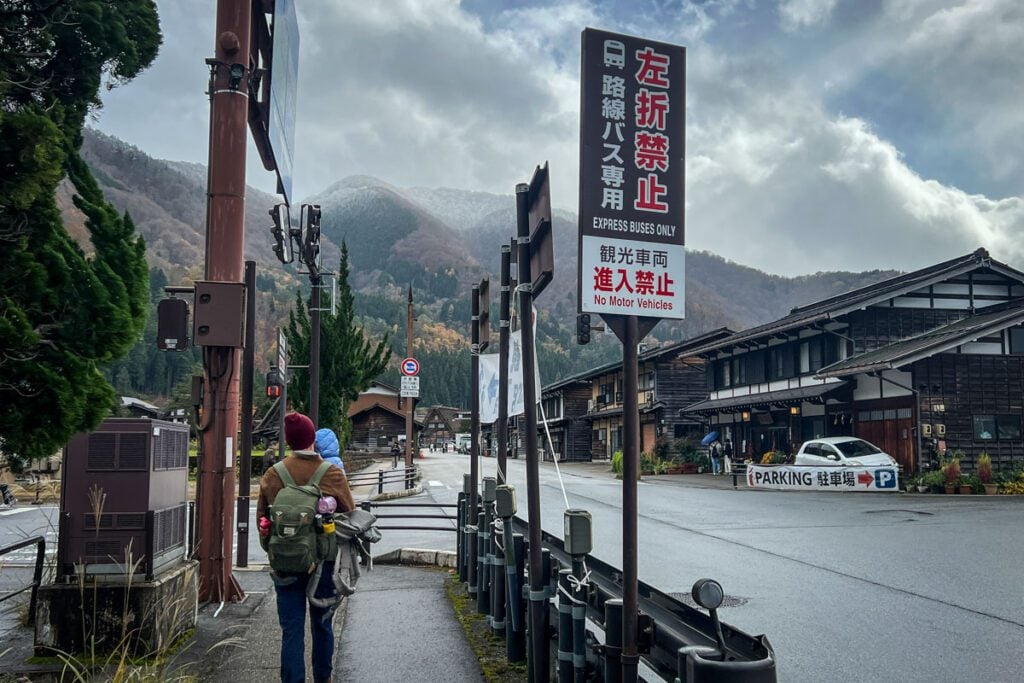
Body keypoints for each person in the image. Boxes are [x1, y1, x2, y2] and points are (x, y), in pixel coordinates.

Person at [258, 412, 355, 683]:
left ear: (288, 442)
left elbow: (262, 524)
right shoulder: (332, 473)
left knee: (291, 631)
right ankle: (323, 678)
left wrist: (278, 548)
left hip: (285, 562)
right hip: (323, 564)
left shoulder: (273, 474)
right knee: (322, 626)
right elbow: (350, 513)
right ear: (313, 438)